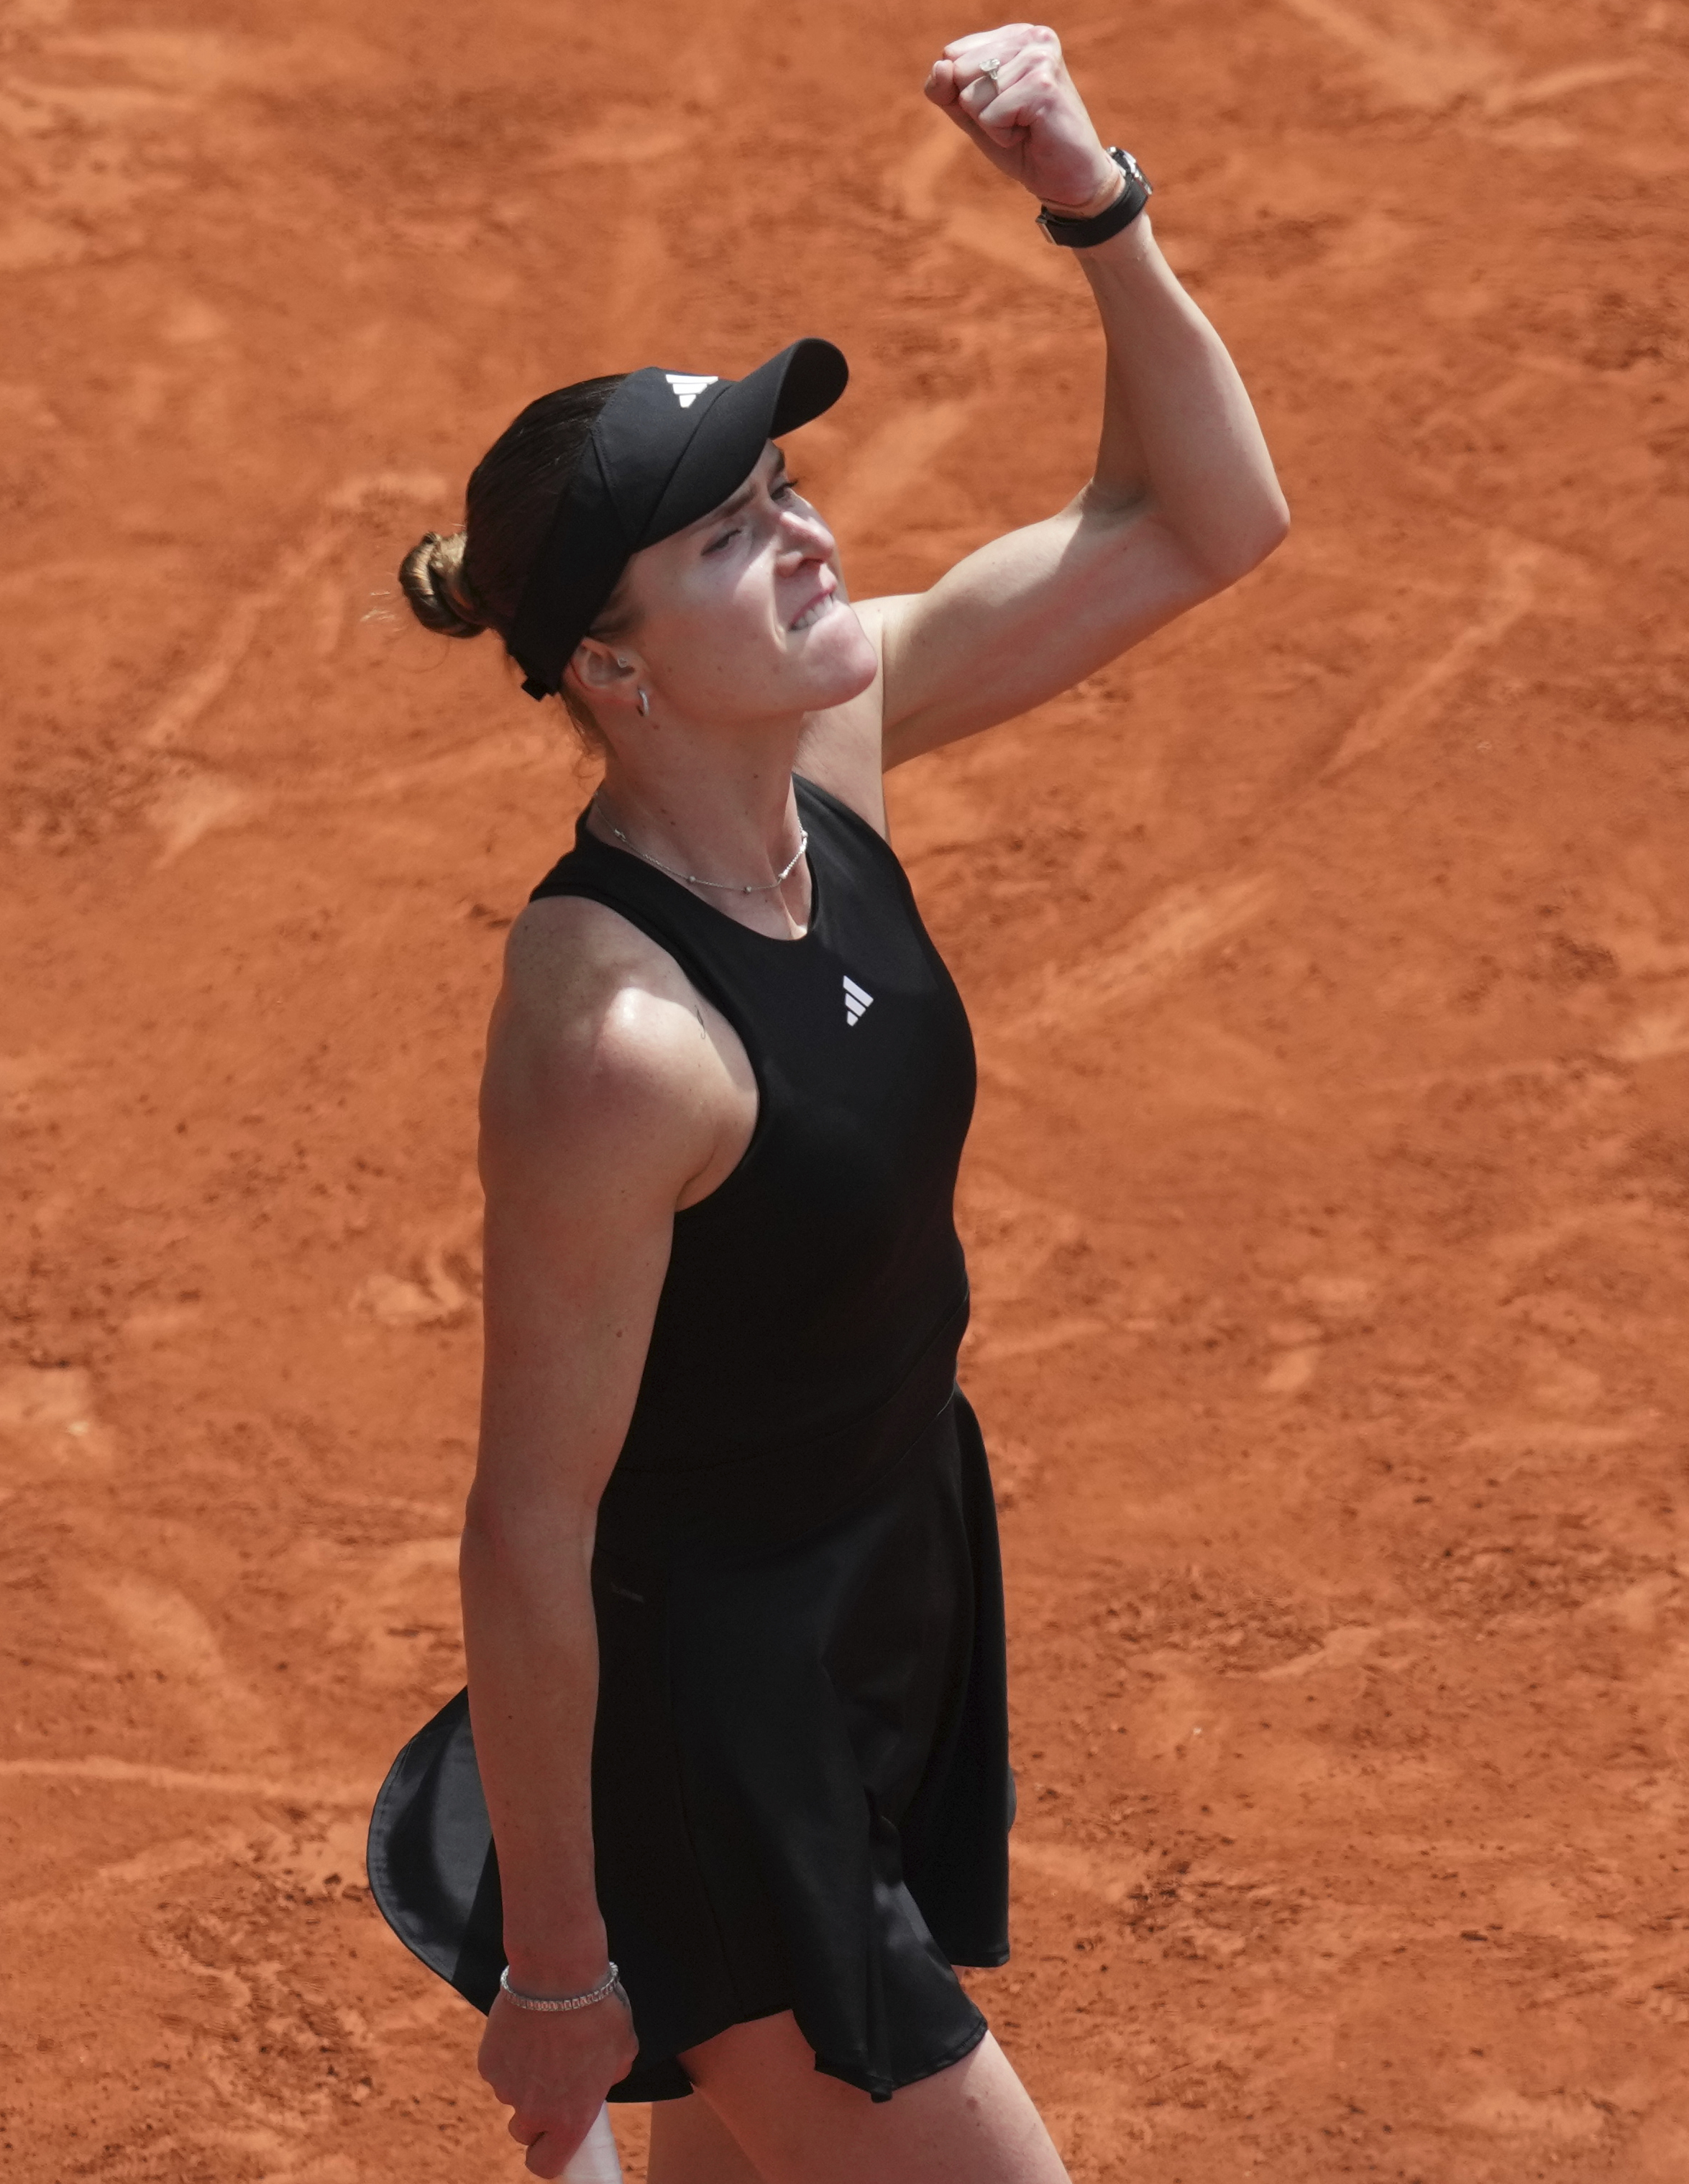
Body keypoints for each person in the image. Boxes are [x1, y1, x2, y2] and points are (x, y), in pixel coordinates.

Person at [363, 24, 1284, 2181]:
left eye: (784, 492)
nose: (801, 539)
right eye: (728, 537)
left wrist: (1095, 206)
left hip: (878, 1595)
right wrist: (563, 1969)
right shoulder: (618, 1046)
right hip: (716, 1732)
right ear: (612, 669)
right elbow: (530, 1524)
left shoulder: (824, 760)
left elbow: (1203, 520)